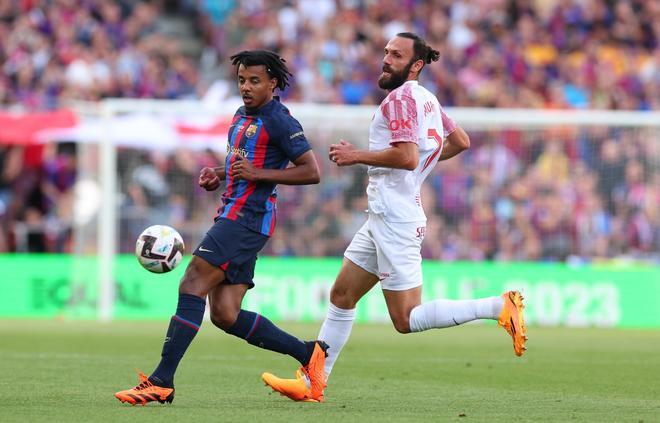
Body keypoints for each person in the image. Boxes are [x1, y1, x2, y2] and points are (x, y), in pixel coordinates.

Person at [262, 33, 527, 403]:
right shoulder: (427, 99)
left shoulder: (401, 99)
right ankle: (313, 382)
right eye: (386, 52)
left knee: (405, 319)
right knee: (341, 295)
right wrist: (416, 171)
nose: (386, 59)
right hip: (384, 215)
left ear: (415, 64)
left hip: (396, 218)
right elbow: (459, 141)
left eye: (396, 55)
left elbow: (406, 156)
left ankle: (498, 307)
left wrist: (357, 156)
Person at [115, 50, 329, 406]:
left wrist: (258, 175)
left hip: (247, 218)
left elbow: (311, 171)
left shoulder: (280, 120)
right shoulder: (241, 115)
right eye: (242, 80)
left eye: (255, 81)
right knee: (225, 314)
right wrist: (220, 173)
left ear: (273, 83)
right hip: (234, 213)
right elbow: (244, 164)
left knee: (192, 283)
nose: (246, 87)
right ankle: (309, 353)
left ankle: (161, 381)